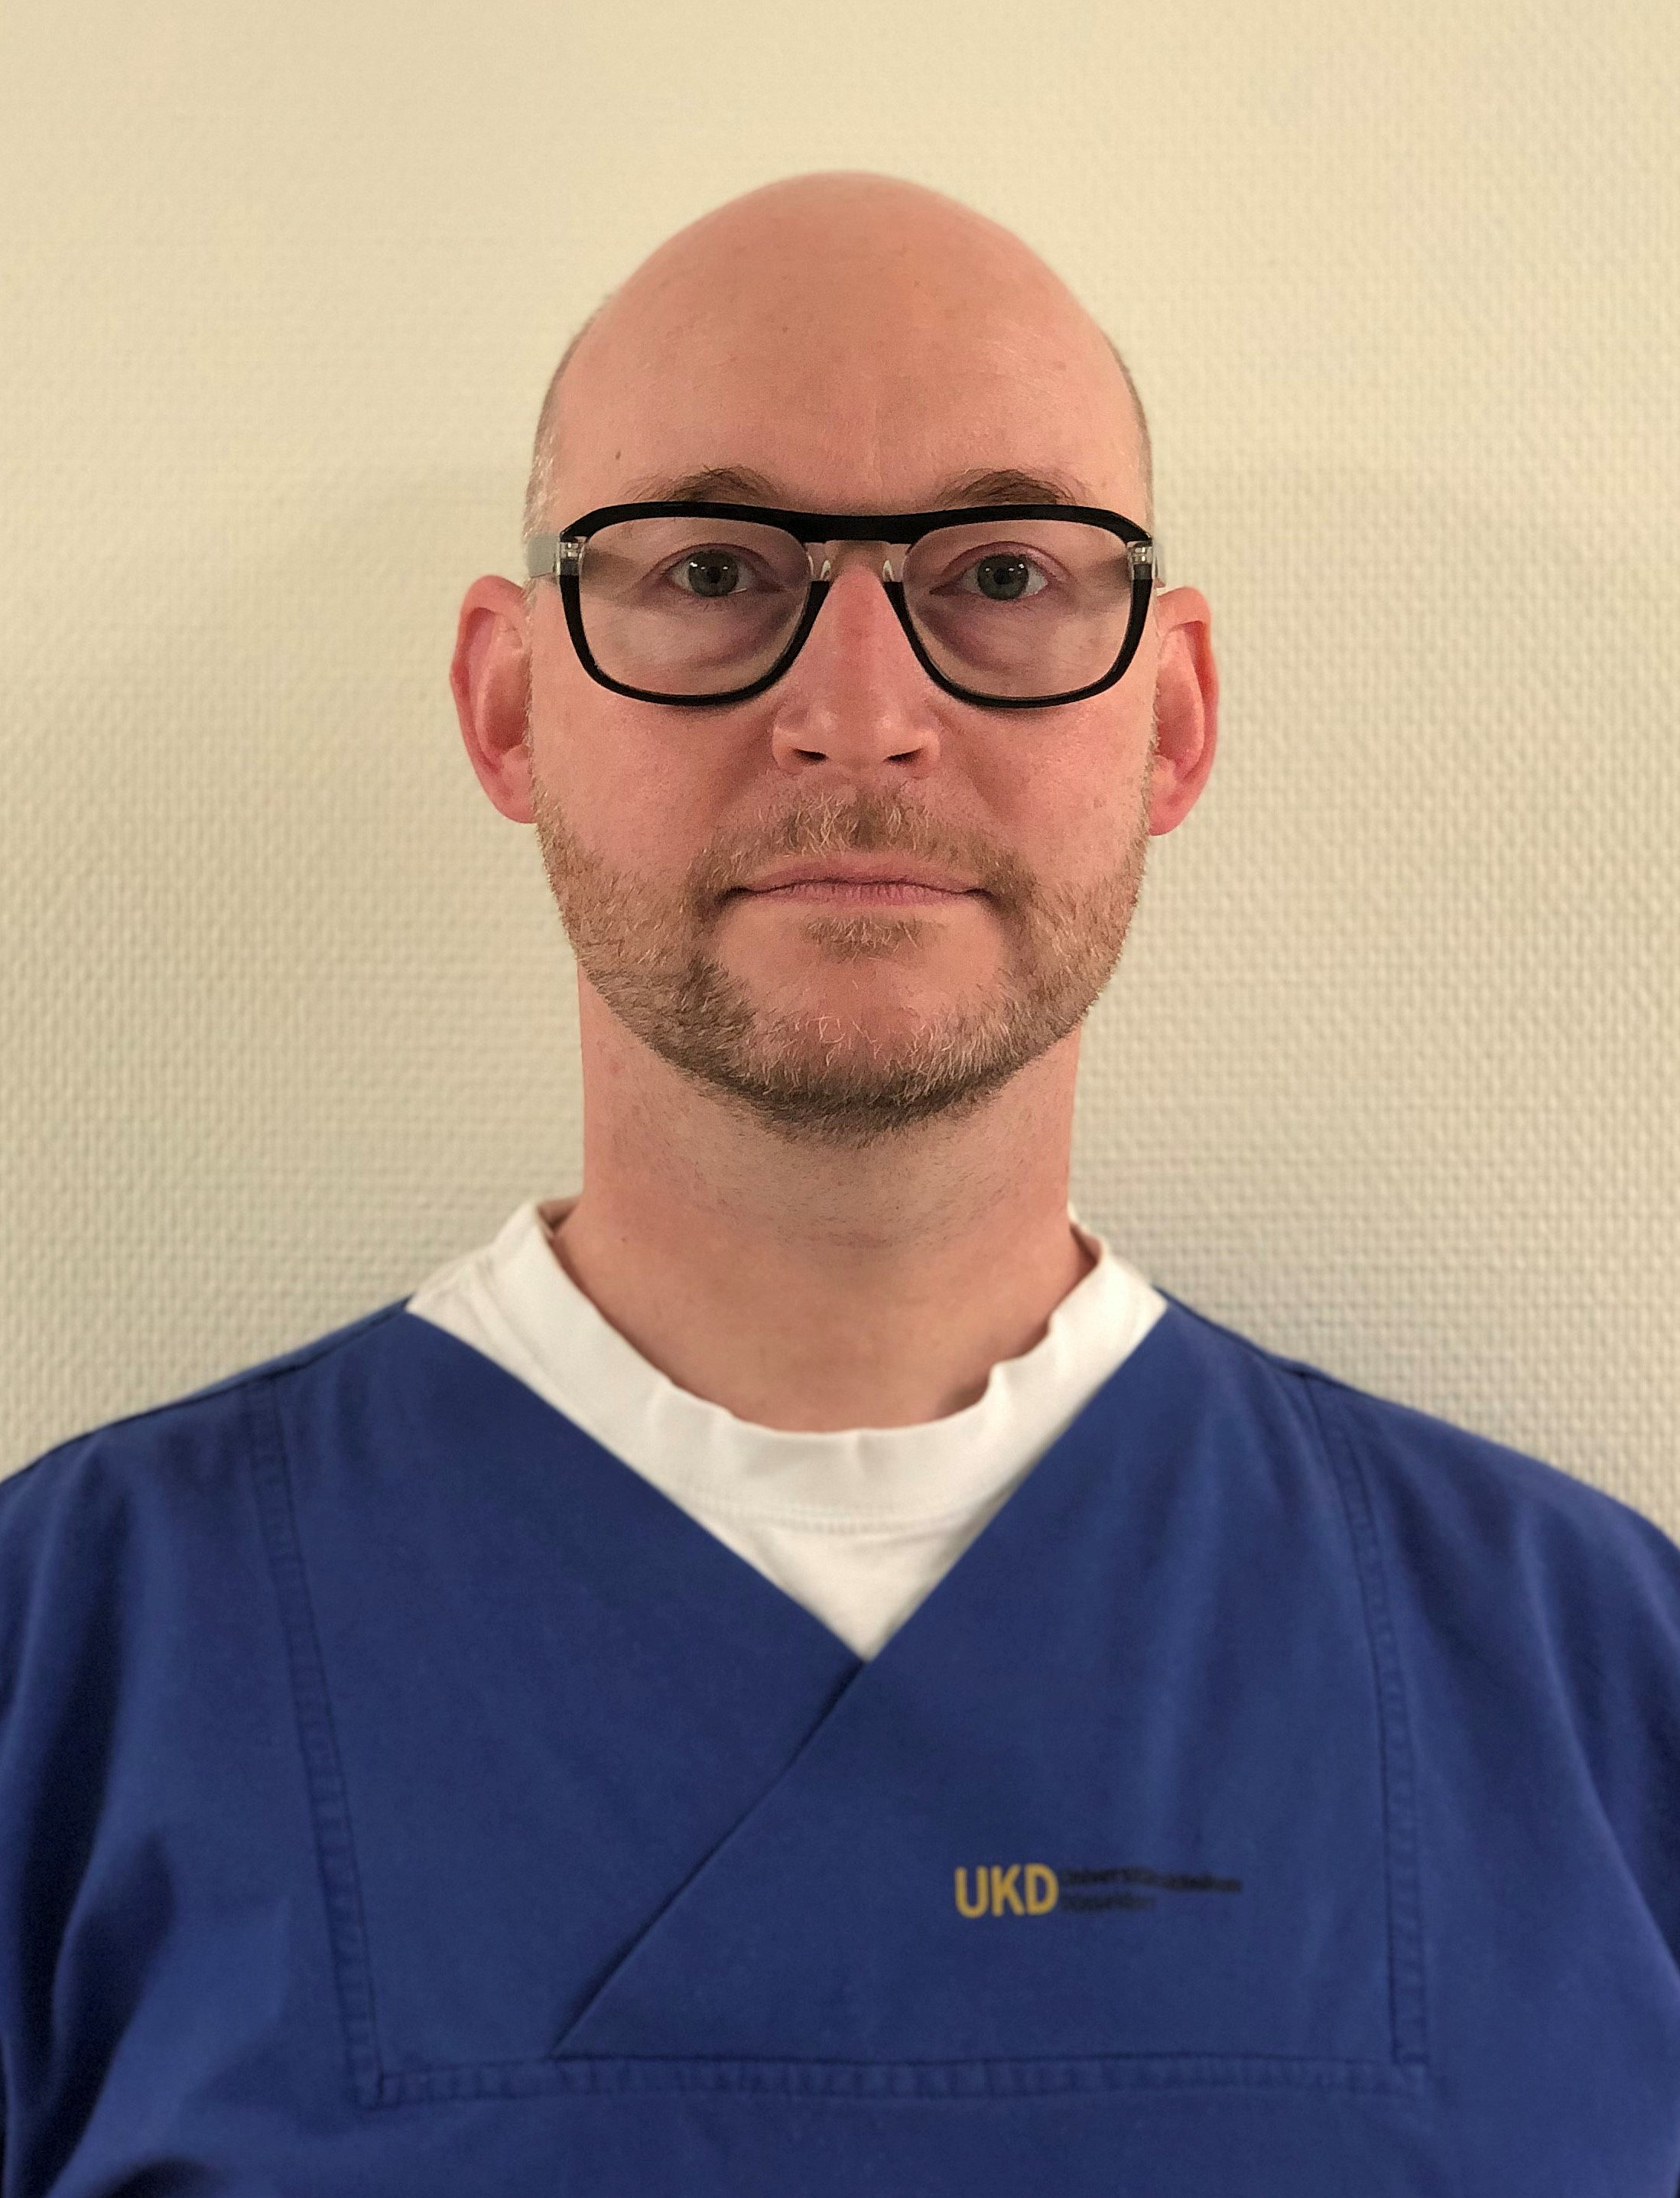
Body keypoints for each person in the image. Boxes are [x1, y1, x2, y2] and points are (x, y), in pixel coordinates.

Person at [1, 171, 1676, 2198]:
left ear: (1173, 716)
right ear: (511, 702)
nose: (862, 720)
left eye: (1004, 573)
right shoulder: (76, 1663)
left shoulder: (1593, 1682)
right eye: (711, 568)